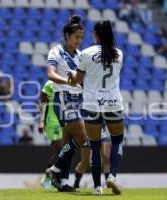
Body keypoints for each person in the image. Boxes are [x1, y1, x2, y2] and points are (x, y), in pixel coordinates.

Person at [68, 20, 124, 195]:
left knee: (95, 146)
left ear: (95, 35)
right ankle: (112, 177)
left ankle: (97, 188)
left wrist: (71, 75)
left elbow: (76, 80)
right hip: (113, 103)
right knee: (117, 142)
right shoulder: (119, 54)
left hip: (92, 104)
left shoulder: (85, 53)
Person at [46, 15, 87, 192]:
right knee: (82, 138)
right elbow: (50, 74)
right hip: (63, 98)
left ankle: (62, 182)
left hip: (79, 100)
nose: (79, 40)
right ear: (67, 35)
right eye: (76, 36)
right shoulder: (56, 51)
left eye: (81, 37)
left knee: (69, 143)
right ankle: (54, 169)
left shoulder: (80, 56)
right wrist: (66, 81)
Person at [37, 80, 62, 189]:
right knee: (60, 148)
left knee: (61, 150)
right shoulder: (49, 84)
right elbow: (42, 102)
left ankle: (50, 177)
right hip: (52, 121)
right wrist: (41, 121)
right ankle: (50, 174)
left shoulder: (68, 82)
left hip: (64, 120)